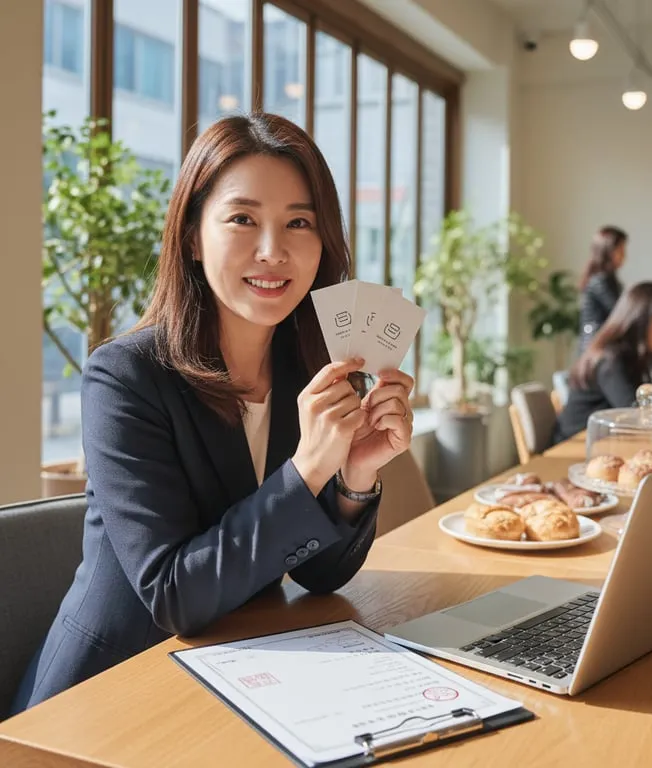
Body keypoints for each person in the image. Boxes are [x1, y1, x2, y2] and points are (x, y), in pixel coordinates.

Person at [12, 114, 414, 714]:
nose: (273, 251)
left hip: (243, 671)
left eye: (299, 222)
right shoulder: (124, 377)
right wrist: (307, 470)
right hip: (108, 694)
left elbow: (319, 574)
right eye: (242, 219)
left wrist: (355, 478)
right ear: (193, 238)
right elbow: (173, 596)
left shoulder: (310, 367)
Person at [552, 281, 652, 444]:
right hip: (575, 444)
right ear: (642, 321)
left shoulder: (629, 355)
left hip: (604, 440)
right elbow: (637, 414)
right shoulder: (610, 360)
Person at [577, 226, 627, 354]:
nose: (624, 255)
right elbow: (619, 312)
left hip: (599, 345)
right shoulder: (600, 281)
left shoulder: (607, 279)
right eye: (620, 250)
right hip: (595, 348)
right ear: (608, 251)